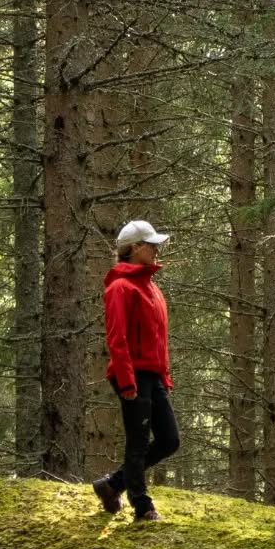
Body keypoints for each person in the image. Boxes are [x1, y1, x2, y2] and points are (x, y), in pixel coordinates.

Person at [94, 218, 180, 522]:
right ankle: (142, 506)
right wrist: (127, 381)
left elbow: (159, 339)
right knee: (138, 441)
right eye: (151, 244)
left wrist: (164, 376)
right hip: (131, 375)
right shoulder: (120, 287)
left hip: (154, 376)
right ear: (134, 248)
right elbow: (117, 338)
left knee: (170, 440)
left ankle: (112, 484)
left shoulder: (152, 288)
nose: (157, 249)